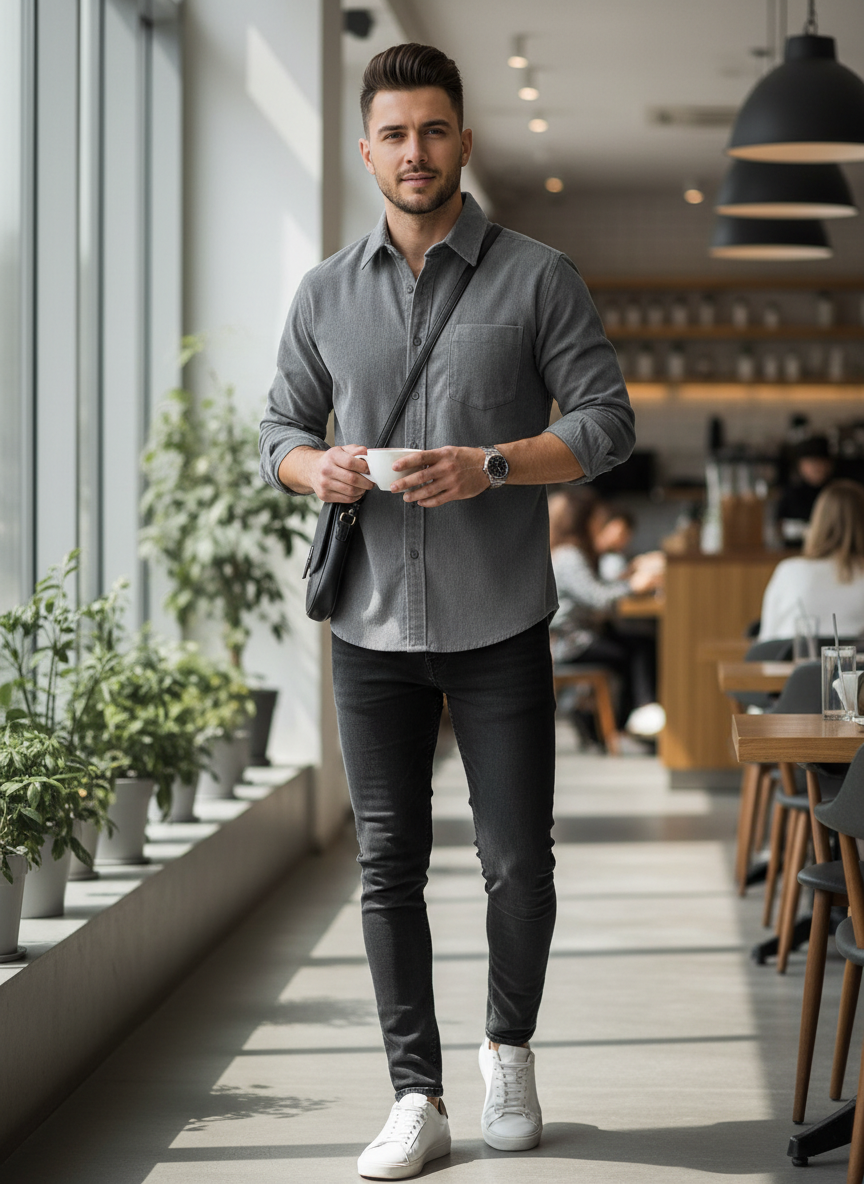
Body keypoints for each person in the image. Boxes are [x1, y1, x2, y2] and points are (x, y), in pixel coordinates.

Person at [259, 42, 635, 1181]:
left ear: (464, 141)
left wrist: (496, 466)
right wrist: (311, 469)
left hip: (499, 622)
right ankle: (413, 1092)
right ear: (365, 148)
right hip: (368, 626)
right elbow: (279, 429)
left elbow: (608, 422)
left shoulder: (538, 276)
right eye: (393, 133)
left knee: (520, 864)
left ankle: (507, 1046)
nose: (414, 151)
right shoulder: (324, 290)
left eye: (434, 130)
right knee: (389, 866)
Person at [548, 488, 664, 739]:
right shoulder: (569, 556)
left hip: (576, 638)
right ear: (584, 520)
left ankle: (633, 719)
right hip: (569, 643)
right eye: (597, 518)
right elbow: (598, 599)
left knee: (639, 644)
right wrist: (633, 586)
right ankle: (630, 720)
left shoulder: (571, 552)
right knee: (637, 649)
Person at [760, 479, 864, 641]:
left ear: (817, 521)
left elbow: (766, 639)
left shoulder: (789, 571)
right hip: (855, 665)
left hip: (788, 663)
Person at [776, 435, 835, 546]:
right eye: (810, 463)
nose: (815, 468)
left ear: (829, 465)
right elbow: (779, 527)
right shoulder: (791, 493)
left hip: (831, 553)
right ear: (800, 466)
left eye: (819, 462)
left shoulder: (837, 494)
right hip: (795, 551)